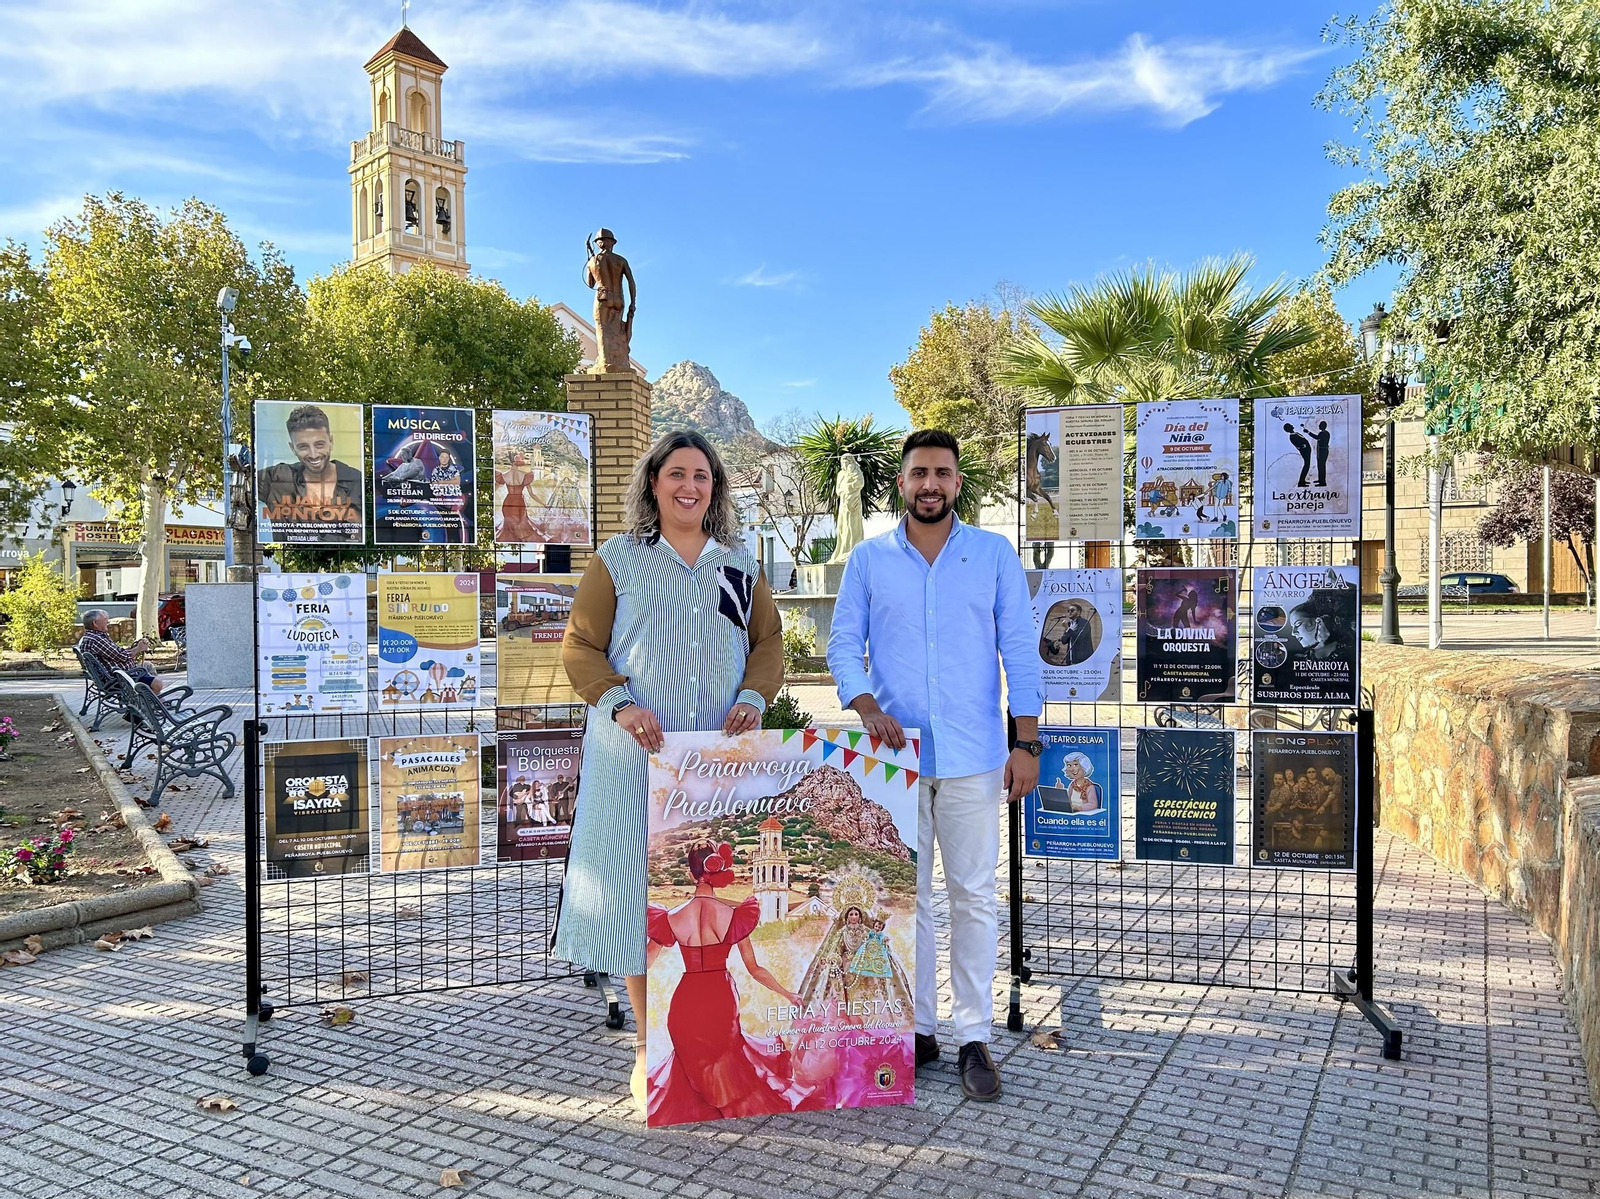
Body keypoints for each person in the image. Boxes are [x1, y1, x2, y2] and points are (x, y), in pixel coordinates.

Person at [553, 429, 784, 1113]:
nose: (689, 485)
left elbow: (766, 641)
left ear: (715, 489)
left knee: (700, 896)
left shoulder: (738, 566)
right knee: (634, 893)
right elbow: (580, 647)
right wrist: (621, 704)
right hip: (632, 760)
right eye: (676, 473)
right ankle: (650, 1044)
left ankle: (716, 1038)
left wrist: (751, 694)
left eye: (702, 475)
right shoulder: (618, 560)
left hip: (709, 768)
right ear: (653, 483)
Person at [827, 428, 1042, 1103]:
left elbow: (1019, 649)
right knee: (906, 899)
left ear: (956, 482)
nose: (930, 483)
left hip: (977, 756)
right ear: (900, 481)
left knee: (974, 896)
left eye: (941, 473)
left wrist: (1027, 743)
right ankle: (917, 1029)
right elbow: (841, 644)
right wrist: (865, 707)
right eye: (918, 471)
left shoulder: (993, 555)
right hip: (898, 764)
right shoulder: (868, 561)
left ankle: (974, 1033)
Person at [645, 841, 819, 1124]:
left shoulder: (672, 917)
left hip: (686, 1002)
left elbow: (644, 963)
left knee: (690, 1065)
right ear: (719, 872)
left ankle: (698, 1119)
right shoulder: (734, 915)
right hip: (720, 999)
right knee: (727, 1063)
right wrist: (787, 994)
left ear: (691, 875)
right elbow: (754, 969)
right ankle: (731, 1116)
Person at [256, 404, 364, 541]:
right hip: (288, 560)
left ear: (331, 442)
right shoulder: (276, 479)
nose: (313, 455)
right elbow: (238, 484)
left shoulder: (358, 482)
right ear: (292, 448)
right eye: (303, 447)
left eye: (319, 445)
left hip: (348, 561)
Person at [77, 610, 164, 694]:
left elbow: (117, 653)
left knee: (148, 665)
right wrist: (138, 649)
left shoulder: (93, 637)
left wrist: (135, 647)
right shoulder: (96, 640)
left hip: (119, 674)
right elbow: (122, 656)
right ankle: (147, 704)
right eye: (105, 619)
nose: (108, 622)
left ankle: (157, 700)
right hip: (119, 678)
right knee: (157, 684)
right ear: (95, 623)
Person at [1285, 422, 1314, 487]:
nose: (1292, 425)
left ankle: (1302, 481)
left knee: (1307, 465)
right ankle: (1301, 482)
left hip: (1307, 450)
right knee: (1306, 465)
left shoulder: (1295, 434)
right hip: (1305, 451)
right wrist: (1304, 446)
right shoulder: (1292, 436)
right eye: (1290, 425)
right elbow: (1299, 445)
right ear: (1289, 428)